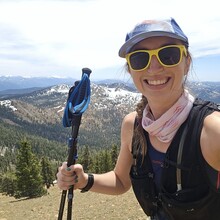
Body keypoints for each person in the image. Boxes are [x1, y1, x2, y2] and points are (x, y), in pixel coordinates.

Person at [56, 17, 220, 220]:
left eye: (168, 55)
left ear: (187, 63)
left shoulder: (212, 131)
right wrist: (83, 180)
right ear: (130, 70)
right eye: (139, 58)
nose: (153, 67)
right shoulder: (133, 125)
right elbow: (120, 180)